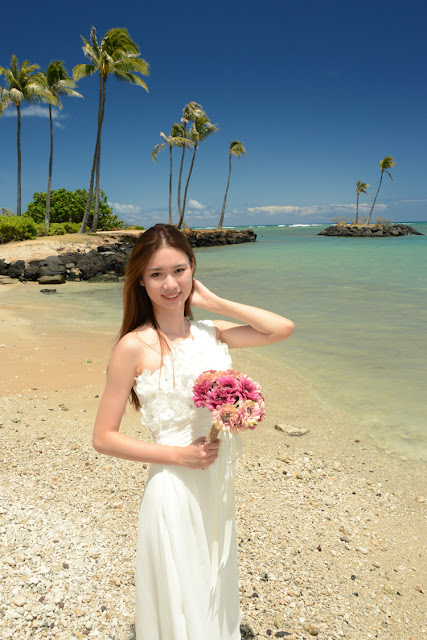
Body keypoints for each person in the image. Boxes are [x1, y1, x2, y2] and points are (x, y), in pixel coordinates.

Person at [92, 224, 294, 640]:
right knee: (179, 584)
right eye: (156, 274)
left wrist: (214, 301)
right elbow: (103, 437)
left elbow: (281, 328)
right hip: (172, 483)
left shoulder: (212, 331)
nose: (170, 284)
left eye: (179, 270)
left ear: (193, 270)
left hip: (216, 481)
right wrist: (179, 456)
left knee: (212, 574)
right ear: (140, 281)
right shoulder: (133, 346)